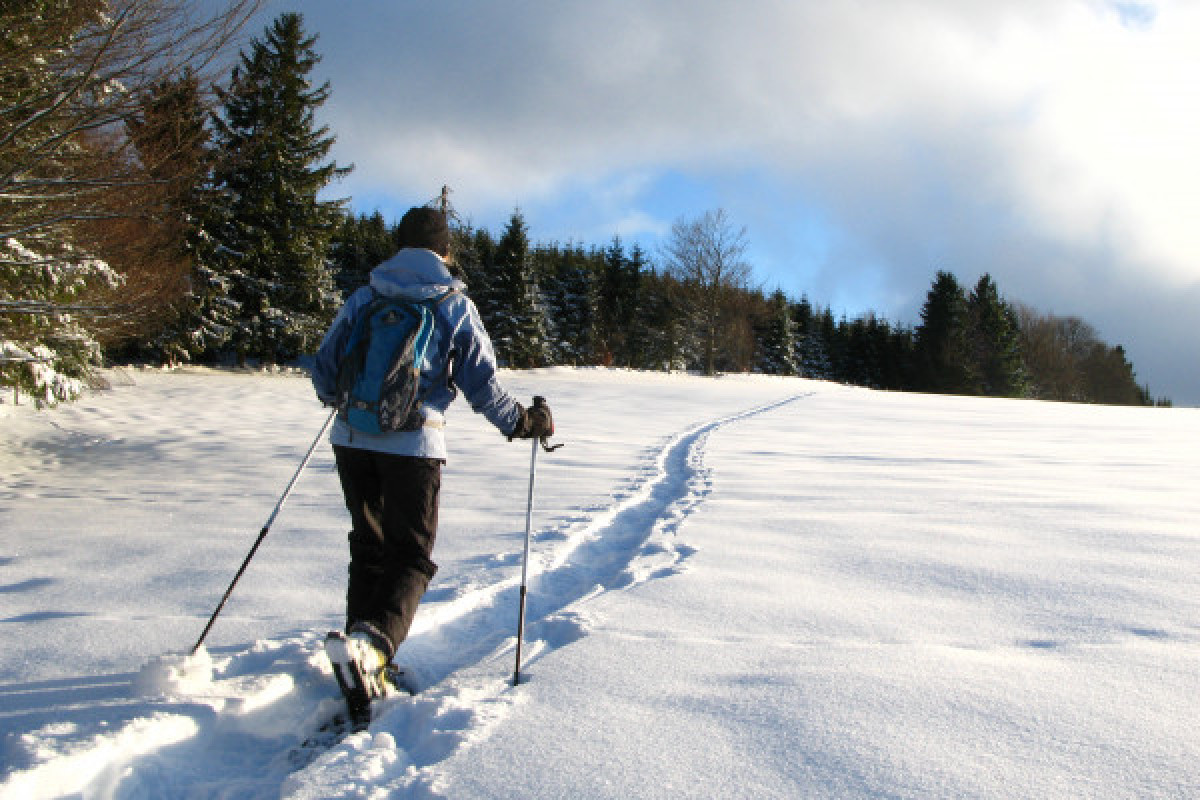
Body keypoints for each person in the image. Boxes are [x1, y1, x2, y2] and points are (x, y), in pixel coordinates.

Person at [311, 205, 553, 694]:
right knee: (411, 556)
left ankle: (361, 648)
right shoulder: (452, 303)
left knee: (369, 544)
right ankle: (372, 650)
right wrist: (522, 422)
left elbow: (324, 371)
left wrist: (350, 403)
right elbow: (482, 385)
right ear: (445, 250)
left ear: (399, 246)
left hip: (351, 438)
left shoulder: (365, 296)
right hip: (415, 441)